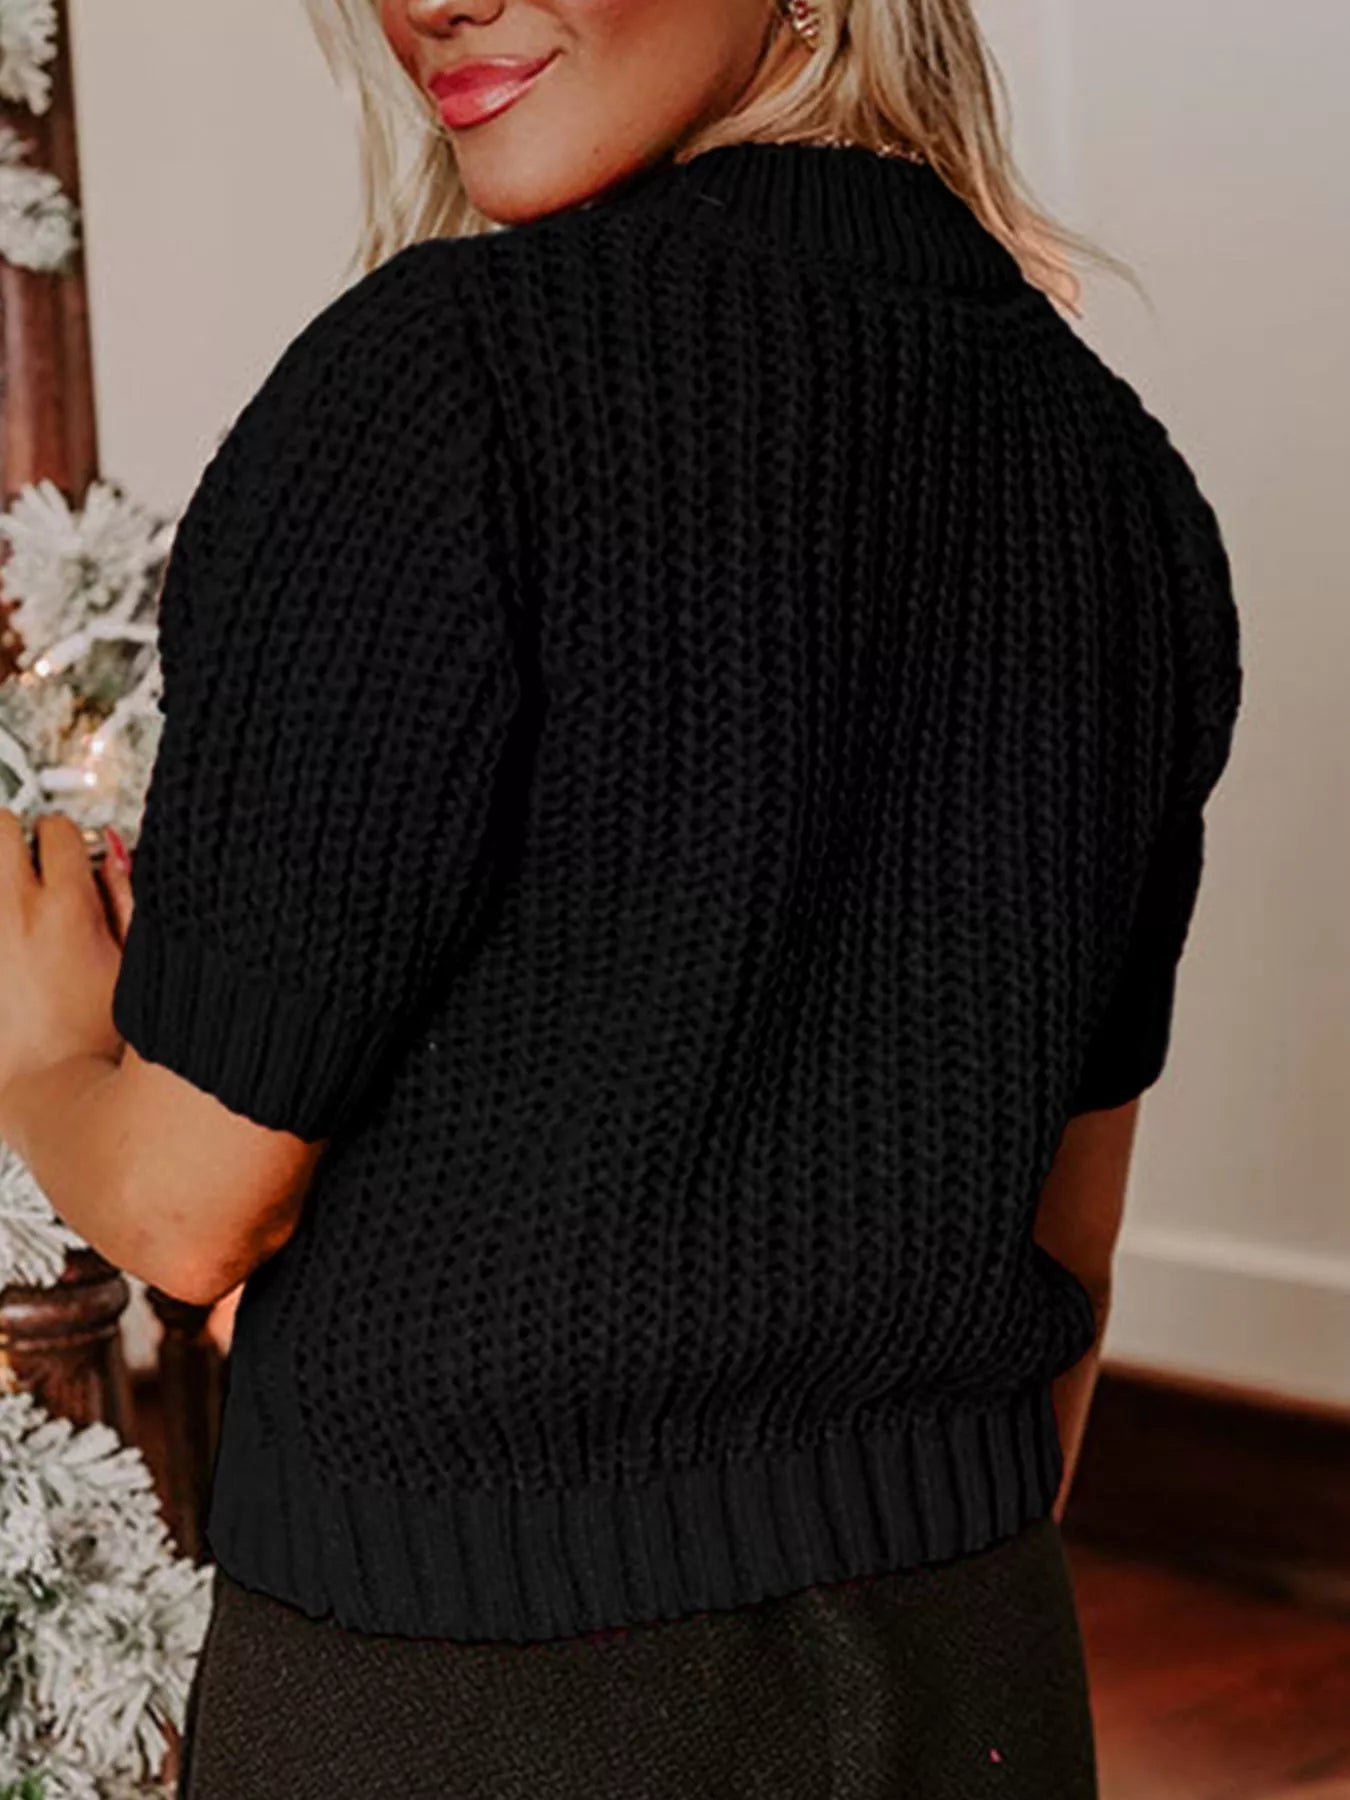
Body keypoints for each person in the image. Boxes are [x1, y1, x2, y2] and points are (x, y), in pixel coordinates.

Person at [0, 0, 1244, 1795]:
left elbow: (192, 1216)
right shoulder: (1118, 478)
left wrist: (45, 1054)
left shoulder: (438, 389)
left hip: (465, 1692)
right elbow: (1063, 1248)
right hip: (973, 1667)